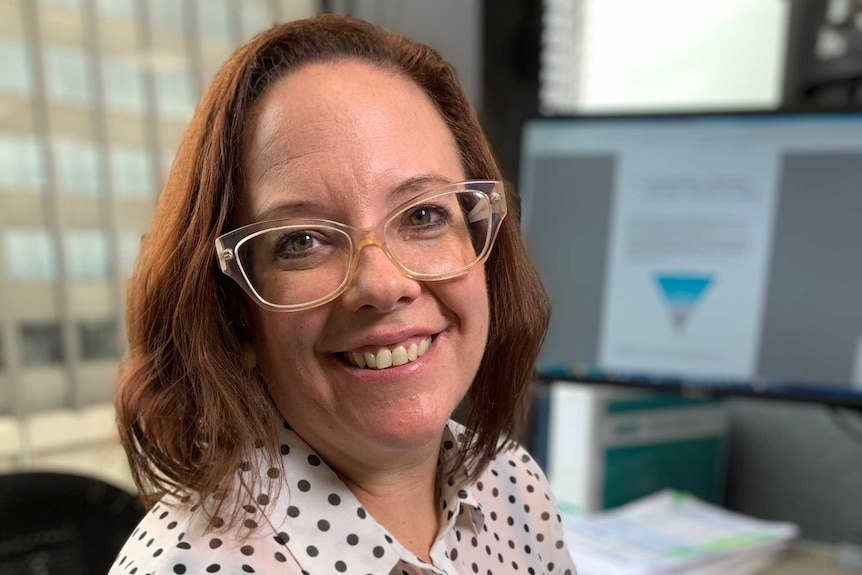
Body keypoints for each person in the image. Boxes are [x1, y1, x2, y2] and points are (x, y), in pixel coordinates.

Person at [109, 13, 575, 575]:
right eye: (302, 241)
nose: (383, 284)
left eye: (425, 214)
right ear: (234, 307)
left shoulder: (513, 486)